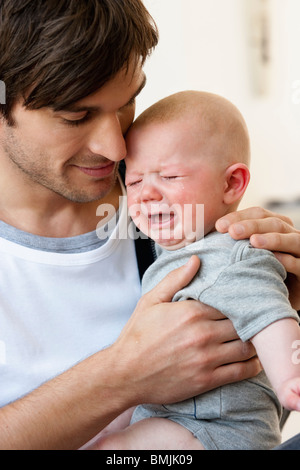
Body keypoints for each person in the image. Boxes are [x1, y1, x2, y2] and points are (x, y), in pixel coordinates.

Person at [0, 1, 299, 450]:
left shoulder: (173, 208)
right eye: (76, 116)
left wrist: (286, 291)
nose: (116, 147)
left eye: (126, 103)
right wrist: (121, 377)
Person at [91, 91, 300, 450]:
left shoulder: (231, 253)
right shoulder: (170, 250)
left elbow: (269, 315)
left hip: (214, 430)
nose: (146, 195)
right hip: (178, 419)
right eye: (136, 181)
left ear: (232, 183)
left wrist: (289, 378)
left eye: (169, 176)